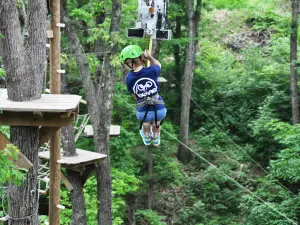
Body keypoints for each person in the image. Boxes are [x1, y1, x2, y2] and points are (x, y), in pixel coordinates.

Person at [120, 45, 167, 146]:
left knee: (145, 123)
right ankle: (155, 138)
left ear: (129, 64)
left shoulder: (129, 78)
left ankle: (146, 137)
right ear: (142, 58)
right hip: (159, 109)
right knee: (156, 123)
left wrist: (142, 99)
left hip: (143, 111)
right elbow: (159, 65)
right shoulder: (152, 70)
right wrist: (150, 57)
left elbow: (134, 94)